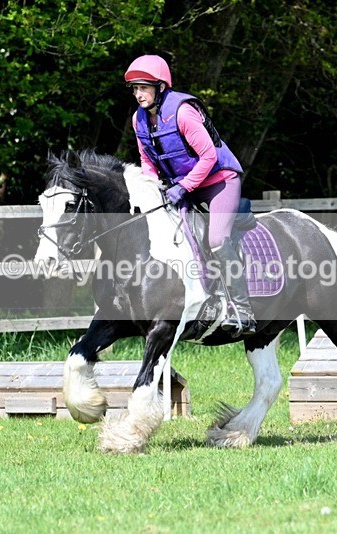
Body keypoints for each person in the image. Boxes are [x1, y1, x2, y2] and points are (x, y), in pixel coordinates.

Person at [124, 54, 256, 336]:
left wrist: (182, 188)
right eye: (135, 89)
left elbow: (208, 156)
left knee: (217, 240)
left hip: (218, 180)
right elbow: (146, 160)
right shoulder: (139, 120)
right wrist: (153, 187)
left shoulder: (183, 112)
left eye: (143, 87)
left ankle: (243, 310)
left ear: (160, 87)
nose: (138, 94)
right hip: (181, 186)